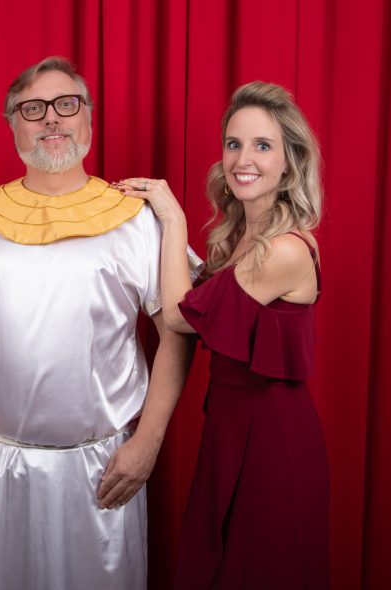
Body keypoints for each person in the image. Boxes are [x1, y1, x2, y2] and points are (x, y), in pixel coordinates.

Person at [0, 57, 200, 590]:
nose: (52, 118)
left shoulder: (136, 218)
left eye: (67, 104)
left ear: (88, 117)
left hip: (102, 474)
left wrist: (148, 441)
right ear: (12, 125)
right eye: (33, 108)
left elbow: (178, 335)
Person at [117, 81, 329, 588]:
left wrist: (172, 217)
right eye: (234, 144)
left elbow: (180, 317)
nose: (243, 159)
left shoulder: (284, 250)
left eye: (263, 145)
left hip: (272, 438)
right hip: (230, 430)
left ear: (289, 163)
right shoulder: (242, 238)